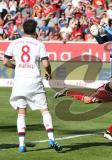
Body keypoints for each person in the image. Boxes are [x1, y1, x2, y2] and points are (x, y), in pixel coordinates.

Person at [2, 19, 62, 152]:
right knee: (44, 109)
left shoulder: (14, 42)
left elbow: (5, 61)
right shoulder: (39, 44)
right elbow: (46, 64)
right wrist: (49, 74)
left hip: (19, 82)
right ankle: (51, 138)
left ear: (23, 29)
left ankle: (21, 144)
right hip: (34, 81)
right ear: (35, 30)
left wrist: (16, 66)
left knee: (21, 112)